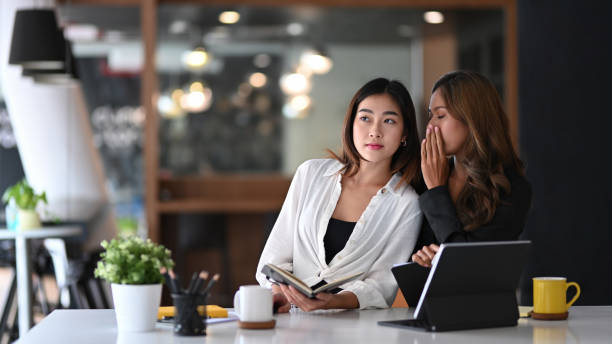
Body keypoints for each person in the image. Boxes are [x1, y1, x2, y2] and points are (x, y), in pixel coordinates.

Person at [256, 78, 423, 311]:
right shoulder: (311, 174)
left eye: (389, 121)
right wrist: (280, 294)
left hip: (352, 325)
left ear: (404, 133)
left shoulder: (407, 203)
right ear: (351, 124)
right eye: (365, 118)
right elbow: (274, 256)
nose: (375, 132)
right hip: (290, 320)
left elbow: (383, 284)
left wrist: (335, 301)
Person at [412, 70, 532, 267]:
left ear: (472, 119)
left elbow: (468, 264)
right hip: (423, 296)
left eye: (441, 115)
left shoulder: (511, 189)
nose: (430, 126)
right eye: (430, 115)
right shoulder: (421, 178)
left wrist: (436, 191)